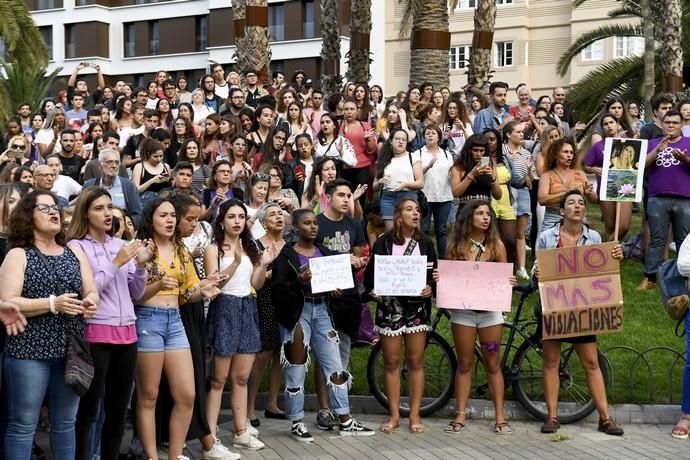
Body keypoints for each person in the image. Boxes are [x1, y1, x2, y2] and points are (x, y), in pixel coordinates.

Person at [0, 189, 99, 459]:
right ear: (28, 217)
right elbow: (7, 301)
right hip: (28, 351)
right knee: (23, 425)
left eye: (55, 207)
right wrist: (53, 304)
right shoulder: (19, 254)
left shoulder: (74, 253)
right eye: (44, 208)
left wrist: (90, 302)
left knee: (66, 423)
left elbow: (92, 291)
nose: (53, 211)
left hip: (71, 351)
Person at [271, 208, 374, 441]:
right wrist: (298, 281)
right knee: (296, 365)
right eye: (307, 223)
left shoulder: (324, 252)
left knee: (335, 364)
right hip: (299, 313)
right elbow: (277, 291)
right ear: (296, 228)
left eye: (315, 223)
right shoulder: (287, 256)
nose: (313, 227)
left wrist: (336, 293)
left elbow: (337, 284)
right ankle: (297, 421)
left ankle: (345, 418)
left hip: (323, 311)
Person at [133, 197, 223, 460]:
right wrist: (158, 286)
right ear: (151, 219)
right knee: (148, 395)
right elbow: (134, 296)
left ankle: (174, 455)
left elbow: (186, 294)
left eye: (173, 215)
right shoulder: (140, 249)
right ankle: (152, 456)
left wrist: (205, 288)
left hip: (175, 321)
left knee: (187, 395)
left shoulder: (181, 249)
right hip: (148, 319)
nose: (170, 220)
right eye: (163, 215)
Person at [66, 187, 153, 460]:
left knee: (118, 408)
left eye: (109, 207)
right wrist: (117, 262)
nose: (107, 213)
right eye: (99, 208)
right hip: (96, 333)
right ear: (85, 212)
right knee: (90, 408)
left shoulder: (119, 244)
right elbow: (86, 289)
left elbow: (136, 292)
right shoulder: (76, 246)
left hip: (127, 334)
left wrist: (140, 266)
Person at [154, 192, 237, 460]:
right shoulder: (160, 248)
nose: (195, 224)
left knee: (190, 382)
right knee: (186, 383)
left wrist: (206, 283)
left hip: (191, 313)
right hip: (173, 317)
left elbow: (191, 286)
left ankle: (196, 438)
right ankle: (204, 440)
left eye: (196, 218)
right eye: (189, 219)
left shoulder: (182, 249)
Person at [534, 190, 624, 436]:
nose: (577, 206)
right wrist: (537, 274)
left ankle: (605, 418)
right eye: (571, 203)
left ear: (585, 211)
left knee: (591, 362)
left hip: (583, 309)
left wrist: (615, 257)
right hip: (554, 307)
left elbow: (605, 273)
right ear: (562, 211)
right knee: (551, 362)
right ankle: (552, 417)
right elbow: (537, 269)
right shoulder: (546, 237)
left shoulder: (594, 236)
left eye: (581, 203)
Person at [204, 199, 275, 451]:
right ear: (221, 220)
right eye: (231, 216)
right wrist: (233, 263)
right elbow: (215, 287)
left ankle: (241, 430)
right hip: (224, 307)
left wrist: (264, 263)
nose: (236, 221)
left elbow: (255, 285)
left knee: (242, 376)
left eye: (241, 217)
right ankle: (210, 436)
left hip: (247, 307)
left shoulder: (250, 246)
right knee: (218, 378)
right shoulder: (213, 249)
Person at [363, 198, 437, 433]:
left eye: (417, 210)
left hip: (417, 308)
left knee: (415, 361)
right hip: (390, 307)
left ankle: (414, 414)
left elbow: (434, 275)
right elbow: (371, 276)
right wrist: (373, 291)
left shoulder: (426, 243)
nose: (415, 214)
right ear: (397, 216)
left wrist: (431, 288)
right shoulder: (383, 243)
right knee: (392, 361)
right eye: (409, 210)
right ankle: (394, 414)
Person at [440, 199, 514, 434]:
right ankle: (460, 414)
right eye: (480, 213)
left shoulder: (497, 246)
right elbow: (449, 277)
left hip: (490, 314)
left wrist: (508, 281)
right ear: (468, 217)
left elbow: (503, 276)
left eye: (488, 214)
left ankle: (500, 416)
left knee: (492, 363)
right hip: (463, 313)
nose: (486, 218)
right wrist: (440, 276)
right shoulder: (455, 246)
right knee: (464, 364)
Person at [639, 110, 690, 291]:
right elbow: (640, 165)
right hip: (657, 198)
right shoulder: (653, 143)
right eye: (667, 122)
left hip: (684, 199)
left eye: (675, 123)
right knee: (657, 239)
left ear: (682, 124)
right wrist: (656, 151)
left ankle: (683, 279)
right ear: (662, 124)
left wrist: (685, 159)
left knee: (683, 241)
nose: (671, 125)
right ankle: (649, 278)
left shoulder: (688, 143)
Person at [247, 203, 287, 427]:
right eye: (272, 214)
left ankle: (272, 403)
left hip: (285, 302)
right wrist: (268, 271)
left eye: (280, 214)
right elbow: (252, 275)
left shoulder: (288, 244)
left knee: (280, 354)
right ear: (263, 222)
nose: (278, 217)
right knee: (262, 354)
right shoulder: (255, 245)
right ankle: (250, 407)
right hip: (264, 299)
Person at [584, 115, 634, 241]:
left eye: (611, 122)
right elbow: (586, 166)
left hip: (626, 187)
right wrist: (593, 169)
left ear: (617, 124)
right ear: (603, 128)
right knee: (610, 226)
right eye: (605, 124)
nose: (608, 125)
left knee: (624, 225)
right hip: (606, 188)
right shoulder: (598, 146)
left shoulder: (629, 143)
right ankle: (610, 256)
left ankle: (606, 249)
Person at [538, 138, 597, 232]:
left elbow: (594, 200)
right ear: (555, 155)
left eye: (571, 153)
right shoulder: (547, 176)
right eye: (565, 152)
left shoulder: (580, 174)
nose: (569, 155)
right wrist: (566, 193)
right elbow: (542, 200)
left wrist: (588, 193)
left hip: (577, 219)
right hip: (553, 219)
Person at [502, 121, 535, 280]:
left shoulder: (527, 154)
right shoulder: (502, 151)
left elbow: (530, 179)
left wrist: (528, 173)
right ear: (508, 134)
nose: (522, 134)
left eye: (523, 132)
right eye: (518, 132)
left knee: (520, 232)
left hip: (522, 193)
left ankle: (521, 267)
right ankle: (506, 264)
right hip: (505, 192)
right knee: (506, 231)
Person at [374, 129, 424, 231]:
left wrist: (405, 184)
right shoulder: (382, 159)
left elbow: (420, 183)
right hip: (388, 198)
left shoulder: (413, 157)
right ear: (390, 141)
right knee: (391, 233)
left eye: (404, 140)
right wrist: (380, 182)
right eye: (397, 139)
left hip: (408, 196)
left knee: (413, 232)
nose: (401, 141)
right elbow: (374, 186)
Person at [83, 149, 143, 228]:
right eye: (109, 162)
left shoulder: (128, 186)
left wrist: (125, 226)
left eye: (117, 162)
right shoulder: (89, 186)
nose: (114, 166)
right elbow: (82, 212)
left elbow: (137, 214)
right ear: (100, 167)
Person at [418, 124, 453, 259]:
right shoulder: (418, 153)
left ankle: (443, 259)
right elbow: (416, 175)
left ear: (439, 137)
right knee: (424, 229)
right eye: (427, 133)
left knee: (441, 230)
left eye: (433, 133)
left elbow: (451, 173)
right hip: (425, 196)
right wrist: (428, 166)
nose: (430, 135)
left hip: (444, 196)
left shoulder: (446, 154)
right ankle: (425, 259)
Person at [450, 134, 502, 215]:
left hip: (485, 208)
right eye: (475, 150)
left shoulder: (490, 167)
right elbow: (456, 193)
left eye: (482, 151)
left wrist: (493, 179)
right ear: (469, 150)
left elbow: (498, 196)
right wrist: (471, 175)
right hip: (466, 209)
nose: (478, 154)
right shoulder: (459, 168)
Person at [132, 138, 172, 208]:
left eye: (161, 156)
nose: (159, 159)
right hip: (146, 205)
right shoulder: (140, 167)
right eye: (155, 156)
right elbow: (135, 190)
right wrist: (152, 181)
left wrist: (167, 179)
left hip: (164, 204)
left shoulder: (166, 167)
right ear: (148, 154)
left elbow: (170, 187)